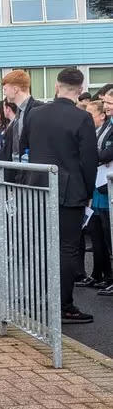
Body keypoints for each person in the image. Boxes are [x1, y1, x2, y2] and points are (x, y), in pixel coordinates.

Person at [20, 68, 97, 324]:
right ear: (79, 88)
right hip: (69, 190)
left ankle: (35, 300)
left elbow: (24, 147)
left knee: (39, 245)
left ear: (56, 85)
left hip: (38, 186)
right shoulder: (82, 118)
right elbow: (89, 160)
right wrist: (87, 192)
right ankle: (64, 305)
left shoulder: (35, 114)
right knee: (67, 249)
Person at [85, 100, 113, 295]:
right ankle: (103, 275)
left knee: (108, 233)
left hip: (106, 185)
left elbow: (105, 154)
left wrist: (90, 155)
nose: (108, 105)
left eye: (110, 102)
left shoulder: (108, 129)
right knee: (99, 233)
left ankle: (108, 276)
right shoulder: (101, 129)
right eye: (106, 103)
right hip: (98, 185)